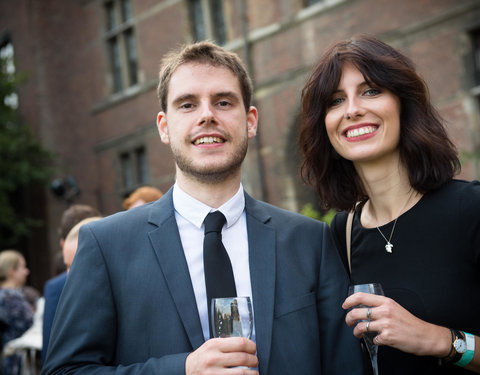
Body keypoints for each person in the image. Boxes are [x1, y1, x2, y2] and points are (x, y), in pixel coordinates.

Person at [42, 41, 363, 374]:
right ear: (164, 127)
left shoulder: (311, 241)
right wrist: (182, 370)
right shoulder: (106, 245)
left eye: (223, 102)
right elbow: (65, 370)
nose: (207, 115)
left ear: (251, 121)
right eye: (187, 104)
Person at [299, 34, 480, 374]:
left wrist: (439, 340)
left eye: (370, 91)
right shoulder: (343, 232)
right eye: (336, 101)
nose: (352, 110)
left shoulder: (470, 209)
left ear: (403, 104)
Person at [41, 204, 101, 364]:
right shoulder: (57, 287)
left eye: (74, 266)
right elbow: (51, 353)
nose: (69, 274)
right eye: (67, 265)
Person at [0, 249, 35, 374]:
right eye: (23, 267)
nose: (27, 271)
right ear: (12, 272)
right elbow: (30, 325)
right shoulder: (10, 298)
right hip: (14, 364)